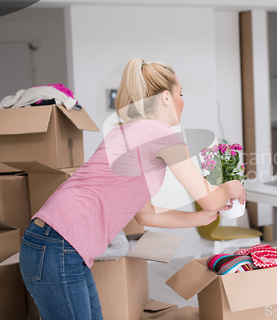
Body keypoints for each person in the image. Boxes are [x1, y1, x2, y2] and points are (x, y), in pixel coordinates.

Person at [19, 58, 247, 320]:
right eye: (179, 93)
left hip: (56, 245)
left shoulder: (129, 132)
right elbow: (208, 197)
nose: (182, 101)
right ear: (165, 97)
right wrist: (231, 186)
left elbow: (145, 215)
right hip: (58, 245)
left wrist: (199, 217)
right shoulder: (161, 135)